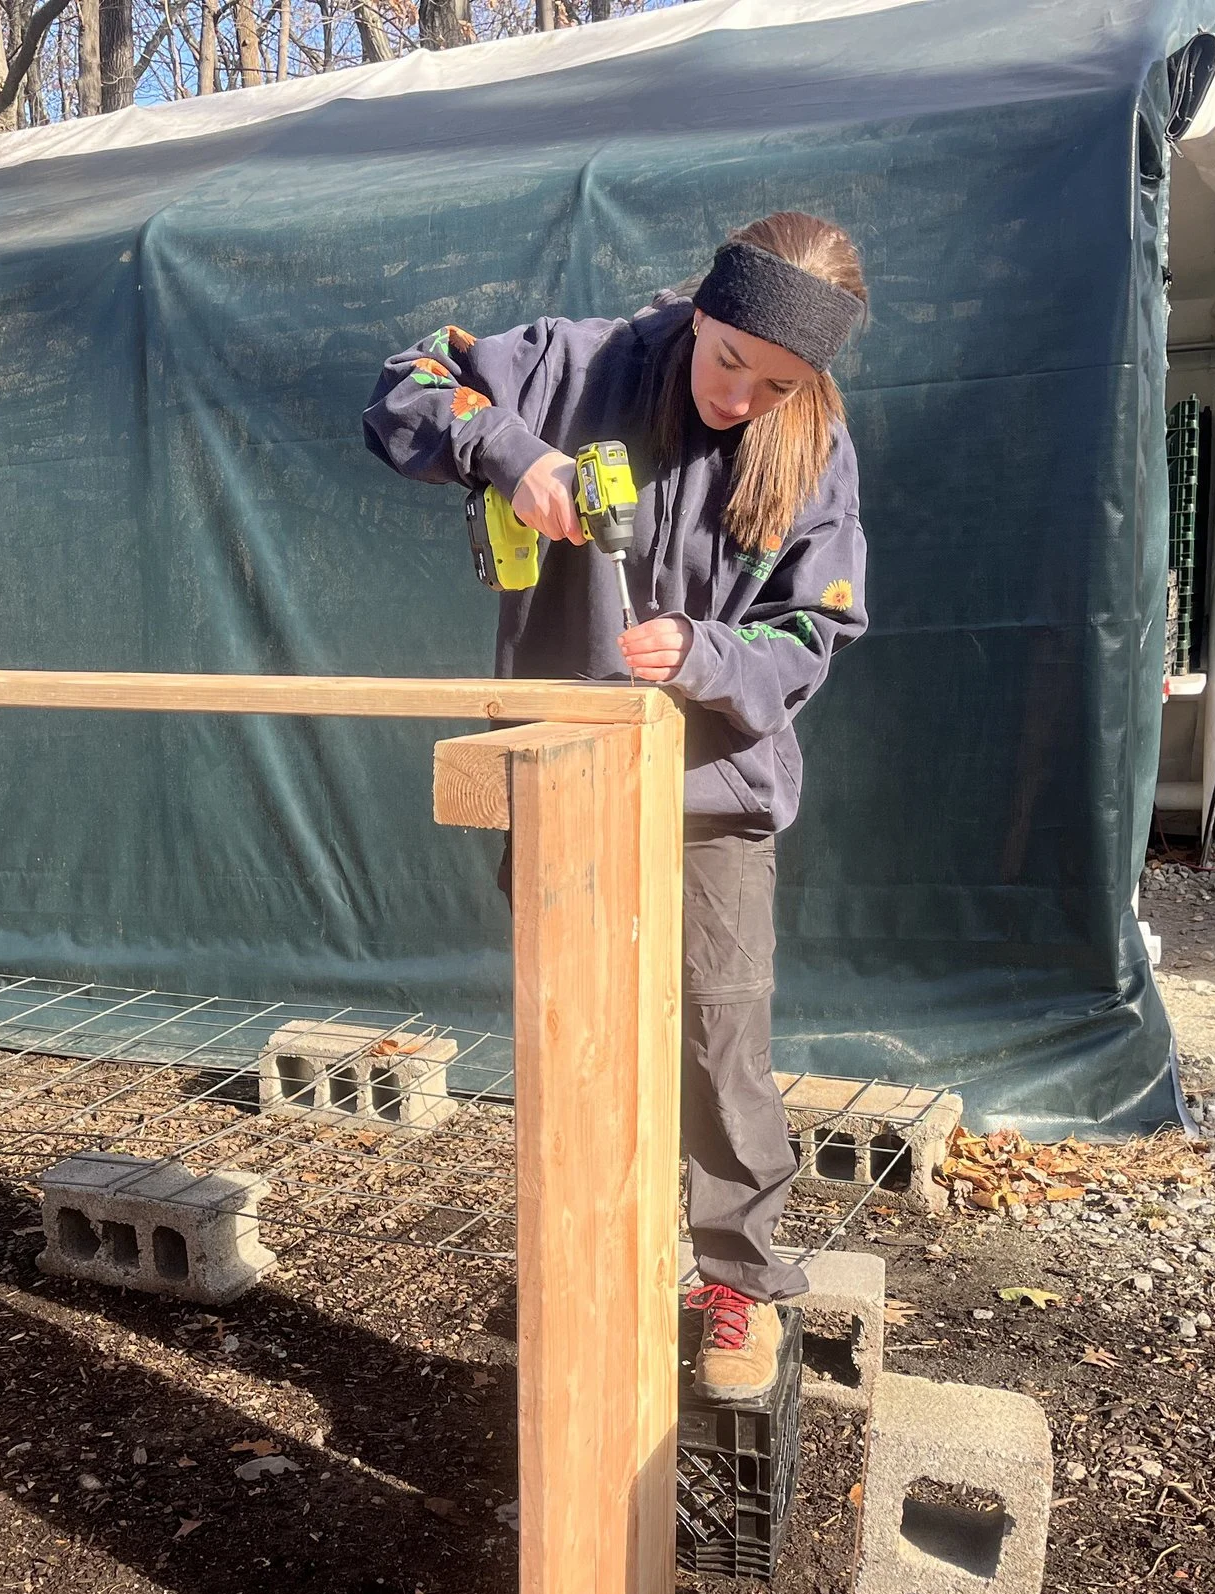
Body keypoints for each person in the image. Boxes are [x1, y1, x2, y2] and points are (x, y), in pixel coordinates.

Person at [360, 210, 871, 1403]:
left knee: (717, 1042)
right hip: (565, 773)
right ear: (702, 309)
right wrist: (507, 453)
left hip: (714, 788)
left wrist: (704, 654)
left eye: (778, 383)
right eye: (730, 360)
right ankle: (588, 1253)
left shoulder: (813, 452)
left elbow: (816, 628)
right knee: (573, 1037)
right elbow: (402, 389)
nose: (742, 397)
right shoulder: (573, 365)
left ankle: (736, 1275)